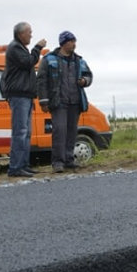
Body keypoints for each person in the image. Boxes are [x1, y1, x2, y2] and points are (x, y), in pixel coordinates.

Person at [37, 31, 93, 173]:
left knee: (71, 132)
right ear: (64, 43)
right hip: (58, 102)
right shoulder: (49, 59)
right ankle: (57, 162)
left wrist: (84, 81)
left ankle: (69, 159)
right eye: (71, 41)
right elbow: (41, 81)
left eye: (75, 41)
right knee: (59, 131)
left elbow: (89, 75)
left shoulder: (79, 60)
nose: (74, 44)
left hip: (75, 102)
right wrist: (43, 101)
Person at [0, 21, 46, 177]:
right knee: (20, 132)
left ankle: (23, 165)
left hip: (25, 95)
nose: (31, 35)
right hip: (18, 95)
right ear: (20, 34)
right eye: (29, 32)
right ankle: (15, 167)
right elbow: (29, 62)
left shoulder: (19, 48)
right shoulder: (15, 48)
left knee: (26, 132)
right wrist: (38, 48)